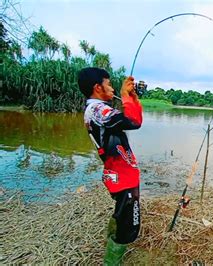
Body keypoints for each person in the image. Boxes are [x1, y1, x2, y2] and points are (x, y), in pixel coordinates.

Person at [77, 67, 143, 265]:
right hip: (121, 176)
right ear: (98, 87)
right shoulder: (97, 109)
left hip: (121, 173)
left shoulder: (97, 109)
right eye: (108, 84)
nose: (112, 87)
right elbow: (133, 122)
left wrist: (131, 98)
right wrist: (124, 95)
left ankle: (112, 243)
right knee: (129, 228)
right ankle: (111, 261)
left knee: (123, 214)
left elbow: (132, 120)